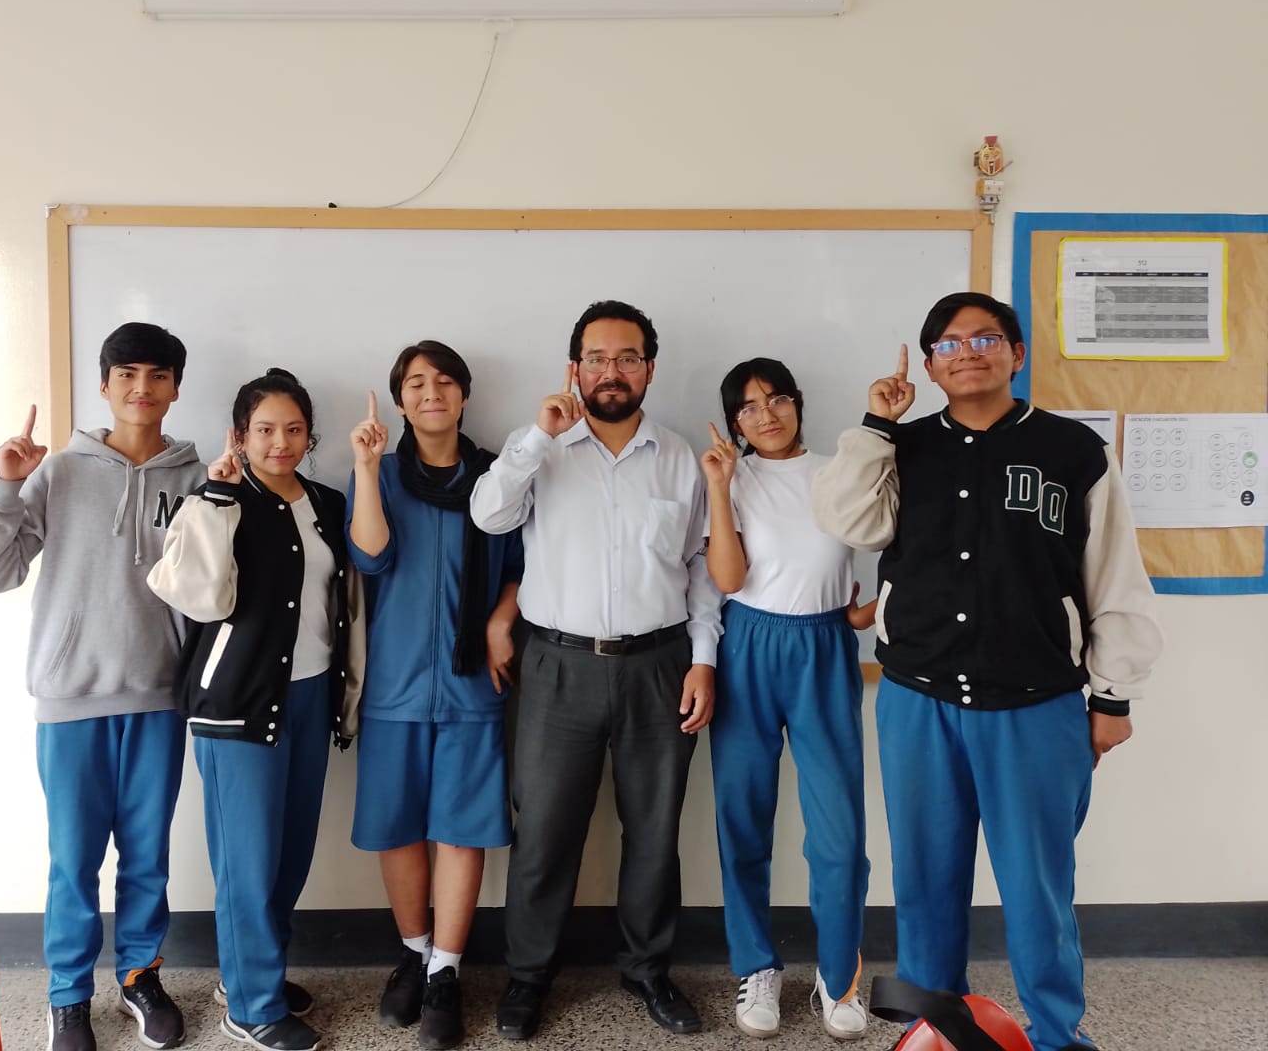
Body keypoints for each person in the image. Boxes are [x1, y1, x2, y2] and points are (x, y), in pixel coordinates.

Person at [812, 292, 1162, 1051]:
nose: (967, 352)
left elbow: (1115, 577)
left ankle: (1057, 1035)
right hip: (918, 698)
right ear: (929, 364)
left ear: (1017, 353)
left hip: (1036, 705)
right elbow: (848, 522)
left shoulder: (1074, 451)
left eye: (985, 338)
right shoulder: (903, 447)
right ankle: (933, 1030)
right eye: (948, 343)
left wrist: (1114, 697)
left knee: (1038, 886)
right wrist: (876, 426)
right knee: (925, 881)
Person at [470, 300, 722, 1041]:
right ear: (574, 368)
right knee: (545, 832)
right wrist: (535, 439)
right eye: (598, 359)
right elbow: (488, 515)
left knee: (654, 830)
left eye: (628, 358)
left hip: (659, 666)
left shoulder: (679, 456)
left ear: (650, 368)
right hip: (557, 666)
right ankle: (528, 976)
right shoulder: (540, 447)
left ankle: (647, 969)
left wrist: (703, 660)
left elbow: (701, 569)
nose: (612, 372)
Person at [0, 321, 199, 1051]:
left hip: (159, 696)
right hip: (70, 699)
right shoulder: (58, 472)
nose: (141, 388)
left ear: (175, 388)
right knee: (74, 860)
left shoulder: (195, 479)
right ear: (104, 385)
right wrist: (7, 484)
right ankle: (68, 996)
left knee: (147, 856)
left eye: (157, 375)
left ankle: (140, 976)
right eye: (126, 374)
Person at [145, 369, 364, 1051]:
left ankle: (248, 976)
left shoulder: (326, 502)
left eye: (294, 429)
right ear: (239, 436)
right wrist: (214, 500)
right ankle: (252, 1006)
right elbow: (193, 594)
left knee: (289, 854)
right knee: (248, 861)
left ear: (310, 435)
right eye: (265, 430)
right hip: (239, 702)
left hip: (311, 695)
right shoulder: (219, 499)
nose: (280, 443)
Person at [345, 341, 524, 1051]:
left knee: (461, 827)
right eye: (416, 383)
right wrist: (365, 469)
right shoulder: (383, 473)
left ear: (464, 395)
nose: (431, 393)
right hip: (393, 682)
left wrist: (501, 620)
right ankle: (415, 954)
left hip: (472, 679)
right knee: (397, 827)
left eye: (444, 381)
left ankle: (447, 970)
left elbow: (521, 563)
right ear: (399, 400)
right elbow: (370, 555)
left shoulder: (497, 477)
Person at [701, 357, 874, 1041]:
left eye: (776, 399)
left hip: (824, 648)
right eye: (747, 407)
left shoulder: (838, 472)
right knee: (742, 817)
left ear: (798, 402)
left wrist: (869, 612)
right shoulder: (729, 476)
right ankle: (756, 966)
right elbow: (728, 577)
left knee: (840, 831)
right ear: (734, 421)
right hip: (747, 645)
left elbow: (892, 545)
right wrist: (720, 487)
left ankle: (839, 975)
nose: (765, 415)